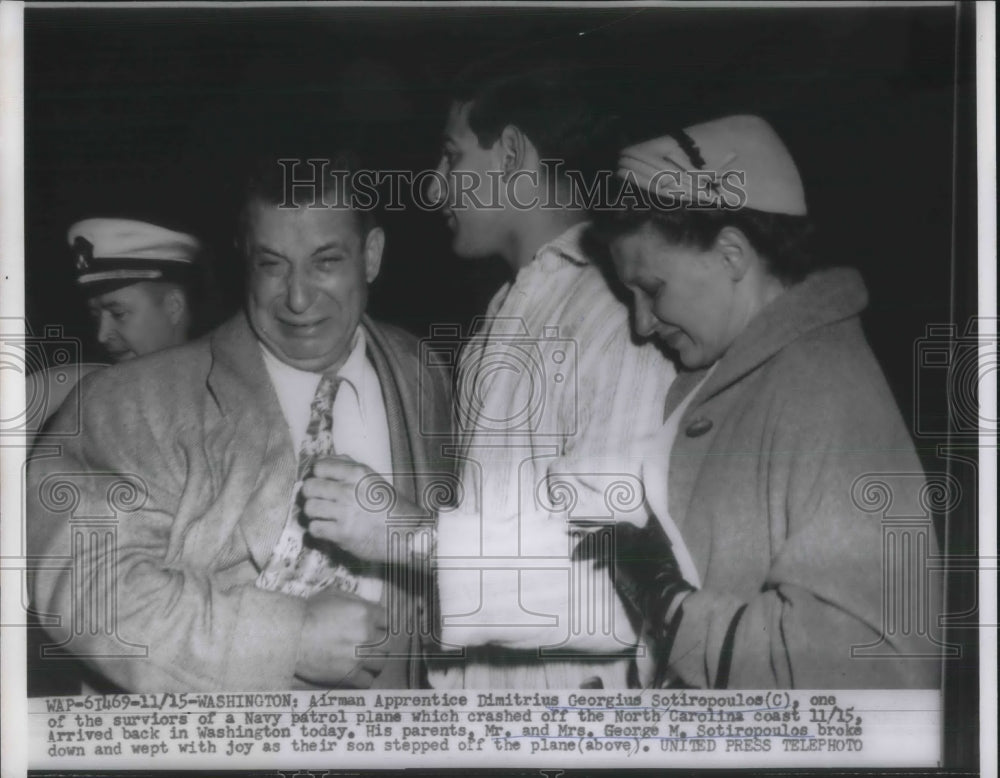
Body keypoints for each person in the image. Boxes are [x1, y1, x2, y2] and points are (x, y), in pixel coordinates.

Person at [26, 152, 452, 691]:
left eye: (325, 262)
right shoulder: (129, 400)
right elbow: (87, 585)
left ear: (370, 257)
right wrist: (286, 640)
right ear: (244, 260)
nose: (297, 299)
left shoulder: (421, 372)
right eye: (272, 265)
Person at [314, 65, 678, 689]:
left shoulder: (616, 314)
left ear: (511, 153)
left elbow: (615, 591)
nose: (433, 188)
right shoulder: (505, 315)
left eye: (452, 157)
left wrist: (406, 534)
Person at [588, 114, 941, 688]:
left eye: (652, 290)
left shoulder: (827, 390)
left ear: (731, 254)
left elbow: (876, 666)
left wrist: (669, 605)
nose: (641, 323)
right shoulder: (742, 369)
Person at [26, 218, 203, 441]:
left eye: (118, 314)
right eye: (95, 316)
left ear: (173, 307)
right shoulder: (69, 390)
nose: (101, 335)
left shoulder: (219, 397)